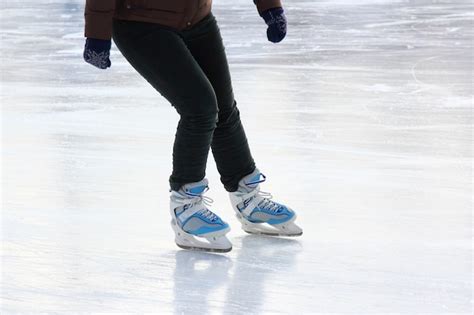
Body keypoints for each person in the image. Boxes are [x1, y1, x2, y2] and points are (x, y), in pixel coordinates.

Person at [83, 0, 302, 253]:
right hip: (142, 24)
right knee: (200, 109)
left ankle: (247, 197)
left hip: (197, 18)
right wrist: (97, 34)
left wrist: (270, 7)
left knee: (224, 107)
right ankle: (186, 207)